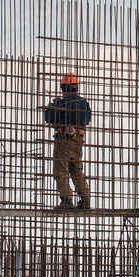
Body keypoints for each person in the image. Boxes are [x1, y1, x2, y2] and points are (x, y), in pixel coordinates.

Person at [44, 73, 93, 210]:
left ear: (62, 87)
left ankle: (66, 200)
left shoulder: (62, 103)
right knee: (76, 169)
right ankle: (85, 200)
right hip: (78, 140)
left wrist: (52, 106)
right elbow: (87, 120)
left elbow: (49, 118)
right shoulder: (84, 103)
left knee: (61, 169)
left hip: (63, 139)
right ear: (77, 87)